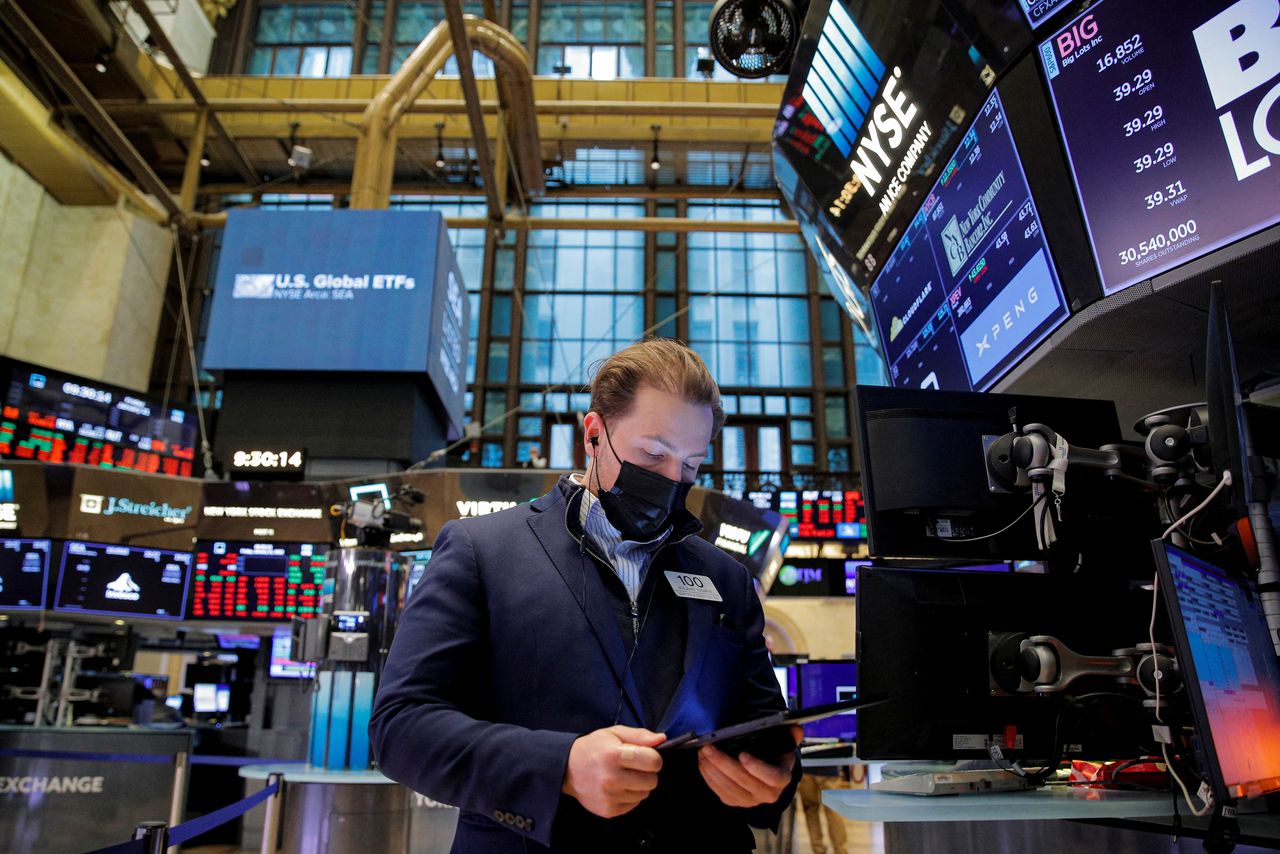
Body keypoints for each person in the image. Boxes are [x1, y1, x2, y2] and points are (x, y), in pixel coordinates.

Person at [371, 338, 801, 853]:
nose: (671, 479)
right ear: (594, 434)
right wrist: (560, 767)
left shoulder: (726, 579)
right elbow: (401, 726)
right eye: (653, 453)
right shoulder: (481, 551)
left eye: (690, 466)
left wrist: (771, 780)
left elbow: (762, 733)